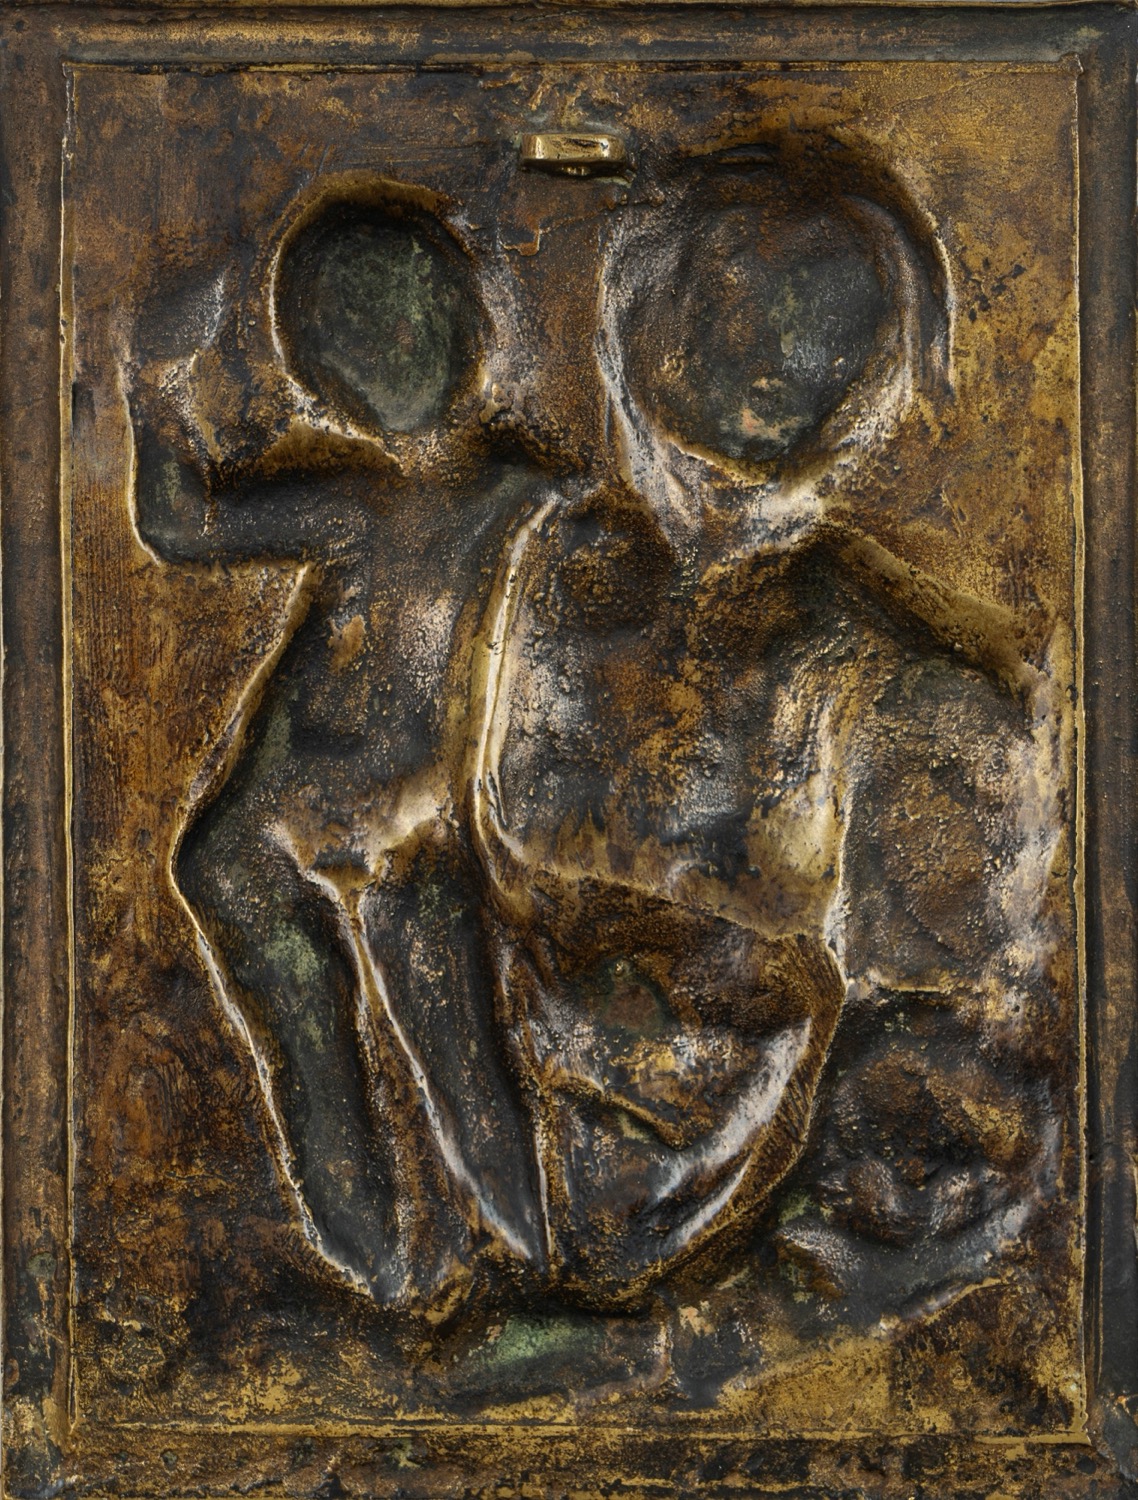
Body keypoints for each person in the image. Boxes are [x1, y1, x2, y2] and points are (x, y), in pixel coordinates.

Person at [128, 132, 1062, 1318]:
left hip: (685, 1262)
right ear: (641, 312)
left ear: (869, 370)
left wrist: (665, 1347)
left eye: (819, 320)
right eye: (731, 300)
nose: (770, 356)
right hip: (466, 1202)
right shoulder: (524, 557)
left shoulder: (911, 695)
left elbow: (955, 1116)